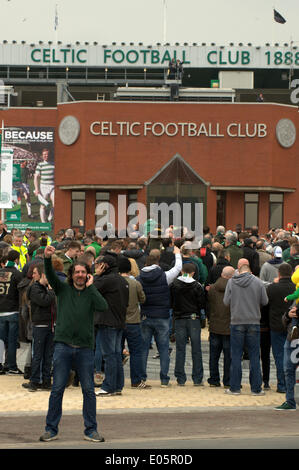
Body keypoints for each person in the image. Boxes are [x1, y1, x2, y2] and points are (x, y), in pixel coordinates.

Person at [39, 245, 108, 443]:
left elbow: (103, 306)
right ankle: (51, 429)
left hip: (85, 348)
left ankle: (91, 430)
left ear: (88, 275)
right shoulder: (62, 289)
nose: (79, 274)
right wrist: (46, 258)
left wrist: (91, 287)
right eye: (77, 272)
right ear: (72, 274)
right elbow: (51, 276)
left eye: (83, 272)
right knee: (57, 389)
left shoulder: (90, 292)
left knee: (88, 390)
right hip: (63, 346)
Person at [137, 245, 182, 387]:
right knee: (163, 348)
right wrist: (177, 254)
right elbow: (177, 268)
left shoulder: (139, 278)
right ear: (157, 263)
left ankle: (142, 377)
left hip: (145, 315)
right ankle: (164, 379)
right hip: (162, 315)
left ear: (146, 263)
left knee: (143, 348)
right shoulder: (164, 276)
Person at [223, 258, 268, 395]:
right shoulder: (258, 282)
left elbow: (226, 301)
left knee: (236, 355)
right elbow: (265, 301)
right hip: (254, 322)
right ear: (250, 271)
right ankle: (256, 389)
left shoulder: (231, 282)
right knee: (255, 356)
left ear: (239, 270)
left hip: (236, 322)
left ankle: (235, 388)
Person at [93, 254, 129, 397]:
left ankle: (108, 386)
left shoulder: (106, 279)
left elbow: (91, 289)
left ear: (104, 265)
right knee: (115, 355)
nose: (95, 266)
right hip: (119, 321)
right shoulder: (121, 279)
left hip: (107, 321)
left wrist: (96, 275)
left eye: (97, 263)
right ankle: (117, 386)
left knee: (109, 355)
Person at [171, 263, 206, 386]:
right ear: (193, 273)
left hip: (180, 318)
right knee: (196, 349)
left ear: (182, 271)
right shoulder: (197, 286)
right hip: (193, 318)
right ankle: (197, 378)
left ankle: (180, 378)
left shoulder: (174, 285)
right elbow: (202, 304)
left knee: (180, 349)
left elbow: (171, 302)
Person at [22, 264, 56, 391]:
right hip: (40, 325)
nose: (32, 275)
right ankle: (35, 381)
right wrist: (51, 291)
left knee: (48, 355)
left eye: (35, 273)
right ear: (44, 275)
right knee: (38, 355)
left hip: (50, 324)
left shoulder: (45, 287)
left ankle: (46, 381)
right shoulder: (35, 288)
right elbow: (45, 301)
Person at [118, 257, 151, 389]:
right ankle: (136, 380)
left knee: (116, 351)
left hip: (118, 320)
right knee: (136, 351)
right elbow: (142, 299)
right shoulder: (135, 283)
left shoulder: (115, 282)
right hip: (133, 321)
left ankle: (116, 379)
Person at [267, 263, 294, 393]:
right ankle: (291, 384)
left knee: (279, 356)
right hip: (293, 326)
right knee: (292, 356)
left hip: (276, 325)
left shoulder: (272, 288)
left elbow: (266, 304)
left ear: (279, 274)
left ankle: (282, 385)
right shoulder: (295, 288)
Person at [207, 266, 235, 388]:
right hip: (228, 326)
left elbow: (209, 305)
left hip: (214, 324)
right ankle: (227, 381)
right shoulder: (234, 288)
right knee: (228, 357)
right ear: (231, 276)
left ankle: (214, 379)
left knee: (214, 355)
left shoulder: (212, 288)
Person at [0, 250, 23, 374]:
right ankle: (11, 366)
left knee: (1, 341)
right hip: (12, 310)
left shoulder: (0, 272)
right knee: (12, 340)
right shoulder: (17, 274)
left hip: (0, 311)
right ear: (16, 260)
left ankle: (0, 365)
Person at [275, 305, 299, 410]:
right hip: (292, 339)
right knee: (289, 370)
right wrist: (288, 316)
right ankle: (290, 401)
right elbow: (284, 320)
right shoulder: (295, 298)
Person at [34, 148, 55, 223]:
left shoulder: (54, 164)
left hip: (53, 186)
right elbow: (36, 177)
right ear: (42, 156)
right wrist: (36, 189)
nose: (46, 156)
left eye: (47, 154)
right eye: (44, 154)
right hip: (43, 186)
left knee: (55, 204)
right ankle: (43, 223)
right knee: (43, 205)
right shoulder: (40, 165)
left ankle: (50, 218)